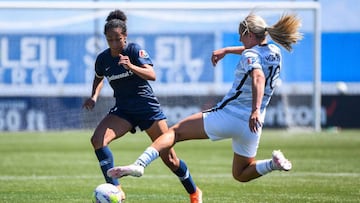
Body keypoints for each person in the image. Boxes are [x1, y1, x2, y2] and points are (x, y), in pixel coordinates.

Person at [107, 12, 303, 185]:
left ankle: (139, 164)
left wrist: (253, 109)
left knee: (175, 132)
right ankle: (272, 164)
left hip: (231, 116)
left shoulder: (250, 54)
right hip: (254, 125)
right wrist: (227, 50)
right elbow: (253, 52)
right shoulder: (275, 52)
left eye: (241, 36)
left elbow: (257, 75)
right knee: (241, 173)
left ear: (249, 34)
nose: (240, 40)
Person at [83, 10, 202, 203]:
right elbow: (98, 77)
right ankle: (117, 191)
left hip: (148, 109)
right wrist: (94, 96)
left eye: (118, 39)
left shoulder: (133, 51)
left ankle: (195, 192)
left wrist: (131, 66)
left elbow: (151, 75)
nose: (114, 44)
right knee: (97, 140)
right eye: (110, 40)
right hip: (123, 110)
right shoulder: (103, 59)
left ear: (125, 37)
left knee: (169, 159)